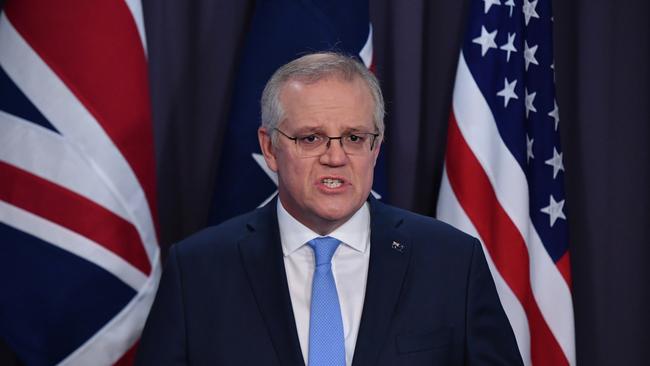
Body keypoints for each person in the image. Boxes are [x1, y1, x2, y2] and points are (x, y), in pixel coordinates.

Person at [136, 52, 523, 366]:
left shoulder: (452, 261)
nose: (335, 157)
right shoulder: (197, 270)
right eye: (311, 138)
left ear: (376, 147)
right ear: (270, 148)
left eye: (354, 137)